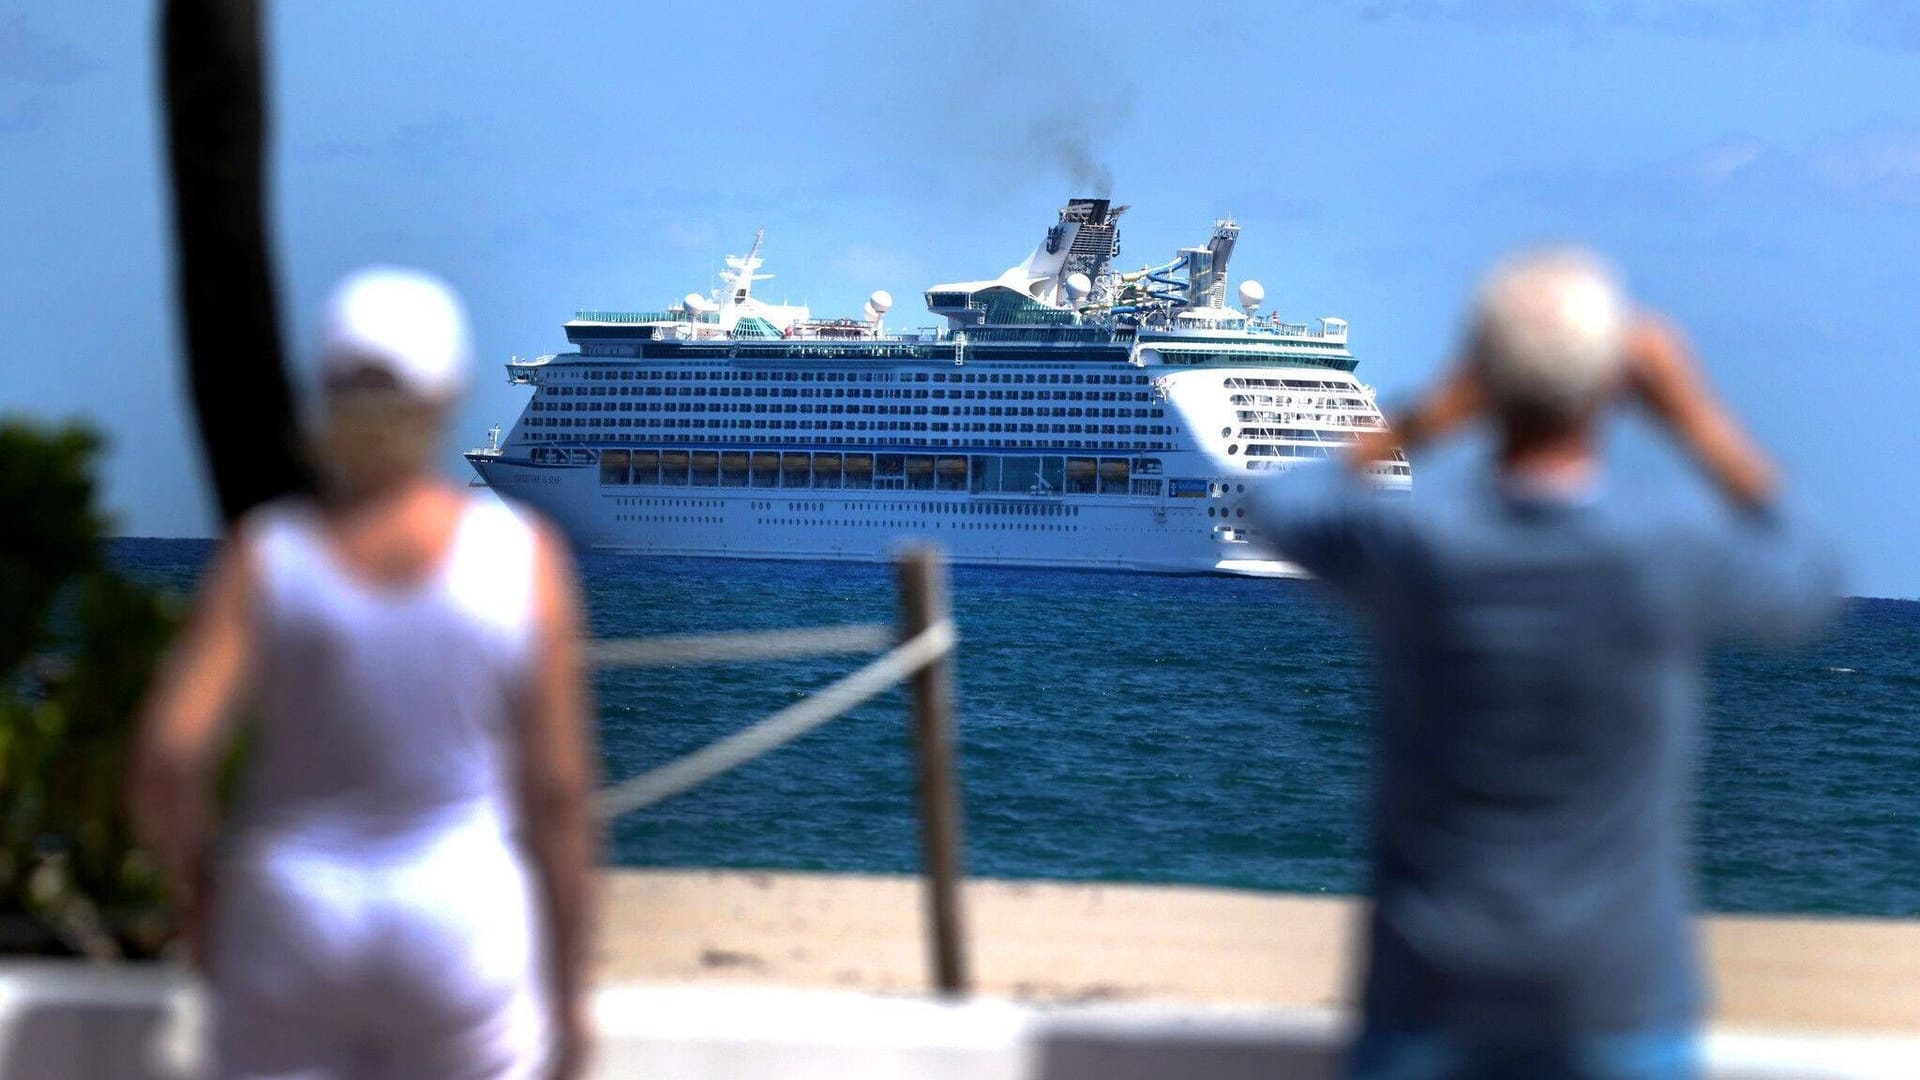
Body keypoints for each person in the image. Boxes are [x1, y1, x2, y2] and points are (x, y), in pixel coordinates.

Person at [1250, 249, 1841, 1080]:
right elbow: (1812, 577)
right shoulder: (1668, 547)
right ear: (1612, 388)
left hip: (1430, 989)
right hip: (1615, 997)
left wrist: (1428, 413)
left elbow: (1280, 503)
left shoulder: (1420, 544)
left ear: (1484, 381)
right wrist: (1695, 415)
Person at [131, 268, 596, 1079]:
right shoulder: (522, 557)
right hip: (458, 920)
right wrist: (569, 990)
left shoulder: (270, 556)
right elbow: (558, 794)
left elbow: (170, 754)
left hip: (292, 915)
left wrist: (202, 897)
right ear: (448, 392)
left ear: (324, 391)